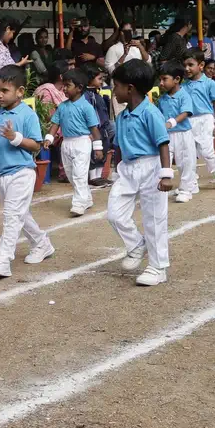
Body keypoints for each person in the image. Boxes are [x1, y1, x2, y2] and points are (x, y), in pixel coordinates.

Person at [0, 64, 54, 279]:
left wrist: (15, 137)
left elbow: (36, 145)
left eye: (5, 91)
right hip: (1, 174)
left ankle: (3, 259)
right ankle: (42, 243)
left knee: (12, 216)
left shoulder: (27, 115)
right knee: (20, 214)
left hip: (22, 172)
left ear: (20, 91)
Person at [105, 60, 172, 287]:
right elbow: (119, 146)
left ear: (130, 88)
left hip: (151, 167)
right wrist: (117, 169)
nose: (114, 91)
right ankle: (135, 245)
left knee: (154, 219)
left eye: (117, 86)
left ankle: (157, 267)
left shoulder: (151, 113)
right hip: (128, 169)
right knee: (115, 213)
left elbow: (163, 143)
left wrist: (165, 174)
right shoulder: (122, 116)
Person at [45, 69, 102, 216]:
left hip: (82, 142)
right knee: (71, 175)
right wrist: (49, 138)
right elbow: (55, 124)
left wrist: (98, 147)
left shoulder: (86, 107)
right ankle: (87, 198)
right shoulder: (62, 107)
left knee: (79, 175)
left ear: (79, 87)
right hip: (66, 144)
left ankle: (78, 204)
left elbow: (94, 129)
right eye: (63, 85)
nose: (64, 88)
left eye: (68, 85)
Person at [182, 51, 215, 188]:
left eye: (191, 65)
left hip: (205, 119)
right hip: (189, 120)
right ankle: (192, 179)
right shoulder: (183, 86)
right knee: (189, 152)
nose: (187, 68)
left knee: (207, 151)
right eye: (185, 65)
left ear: (201, 65)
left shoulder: (209, 83)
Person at [156, 62, 197, 203]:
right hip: (167, 136)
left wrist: (171, 122)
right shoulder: (162, 99)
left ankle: (186, 190)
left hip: (183, 134)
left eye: (164, 79)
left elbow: (185, 112)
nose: (161, 83)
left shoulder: (184, 95)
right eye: (160, 80)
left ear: (177, 79)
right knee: (163, 161)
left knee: (186, 162)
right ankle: (161, 187)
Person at [81, 62, 115, 186]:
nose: (101, 82)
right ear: (89, 79)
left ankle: (100, 176)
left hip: (103, 128)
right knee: (94, 153)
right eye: (99, 79)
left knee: (104, 149)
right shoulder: (87, 96)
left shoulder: (96, 93)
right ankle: (93, 177)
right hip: (94, 129)